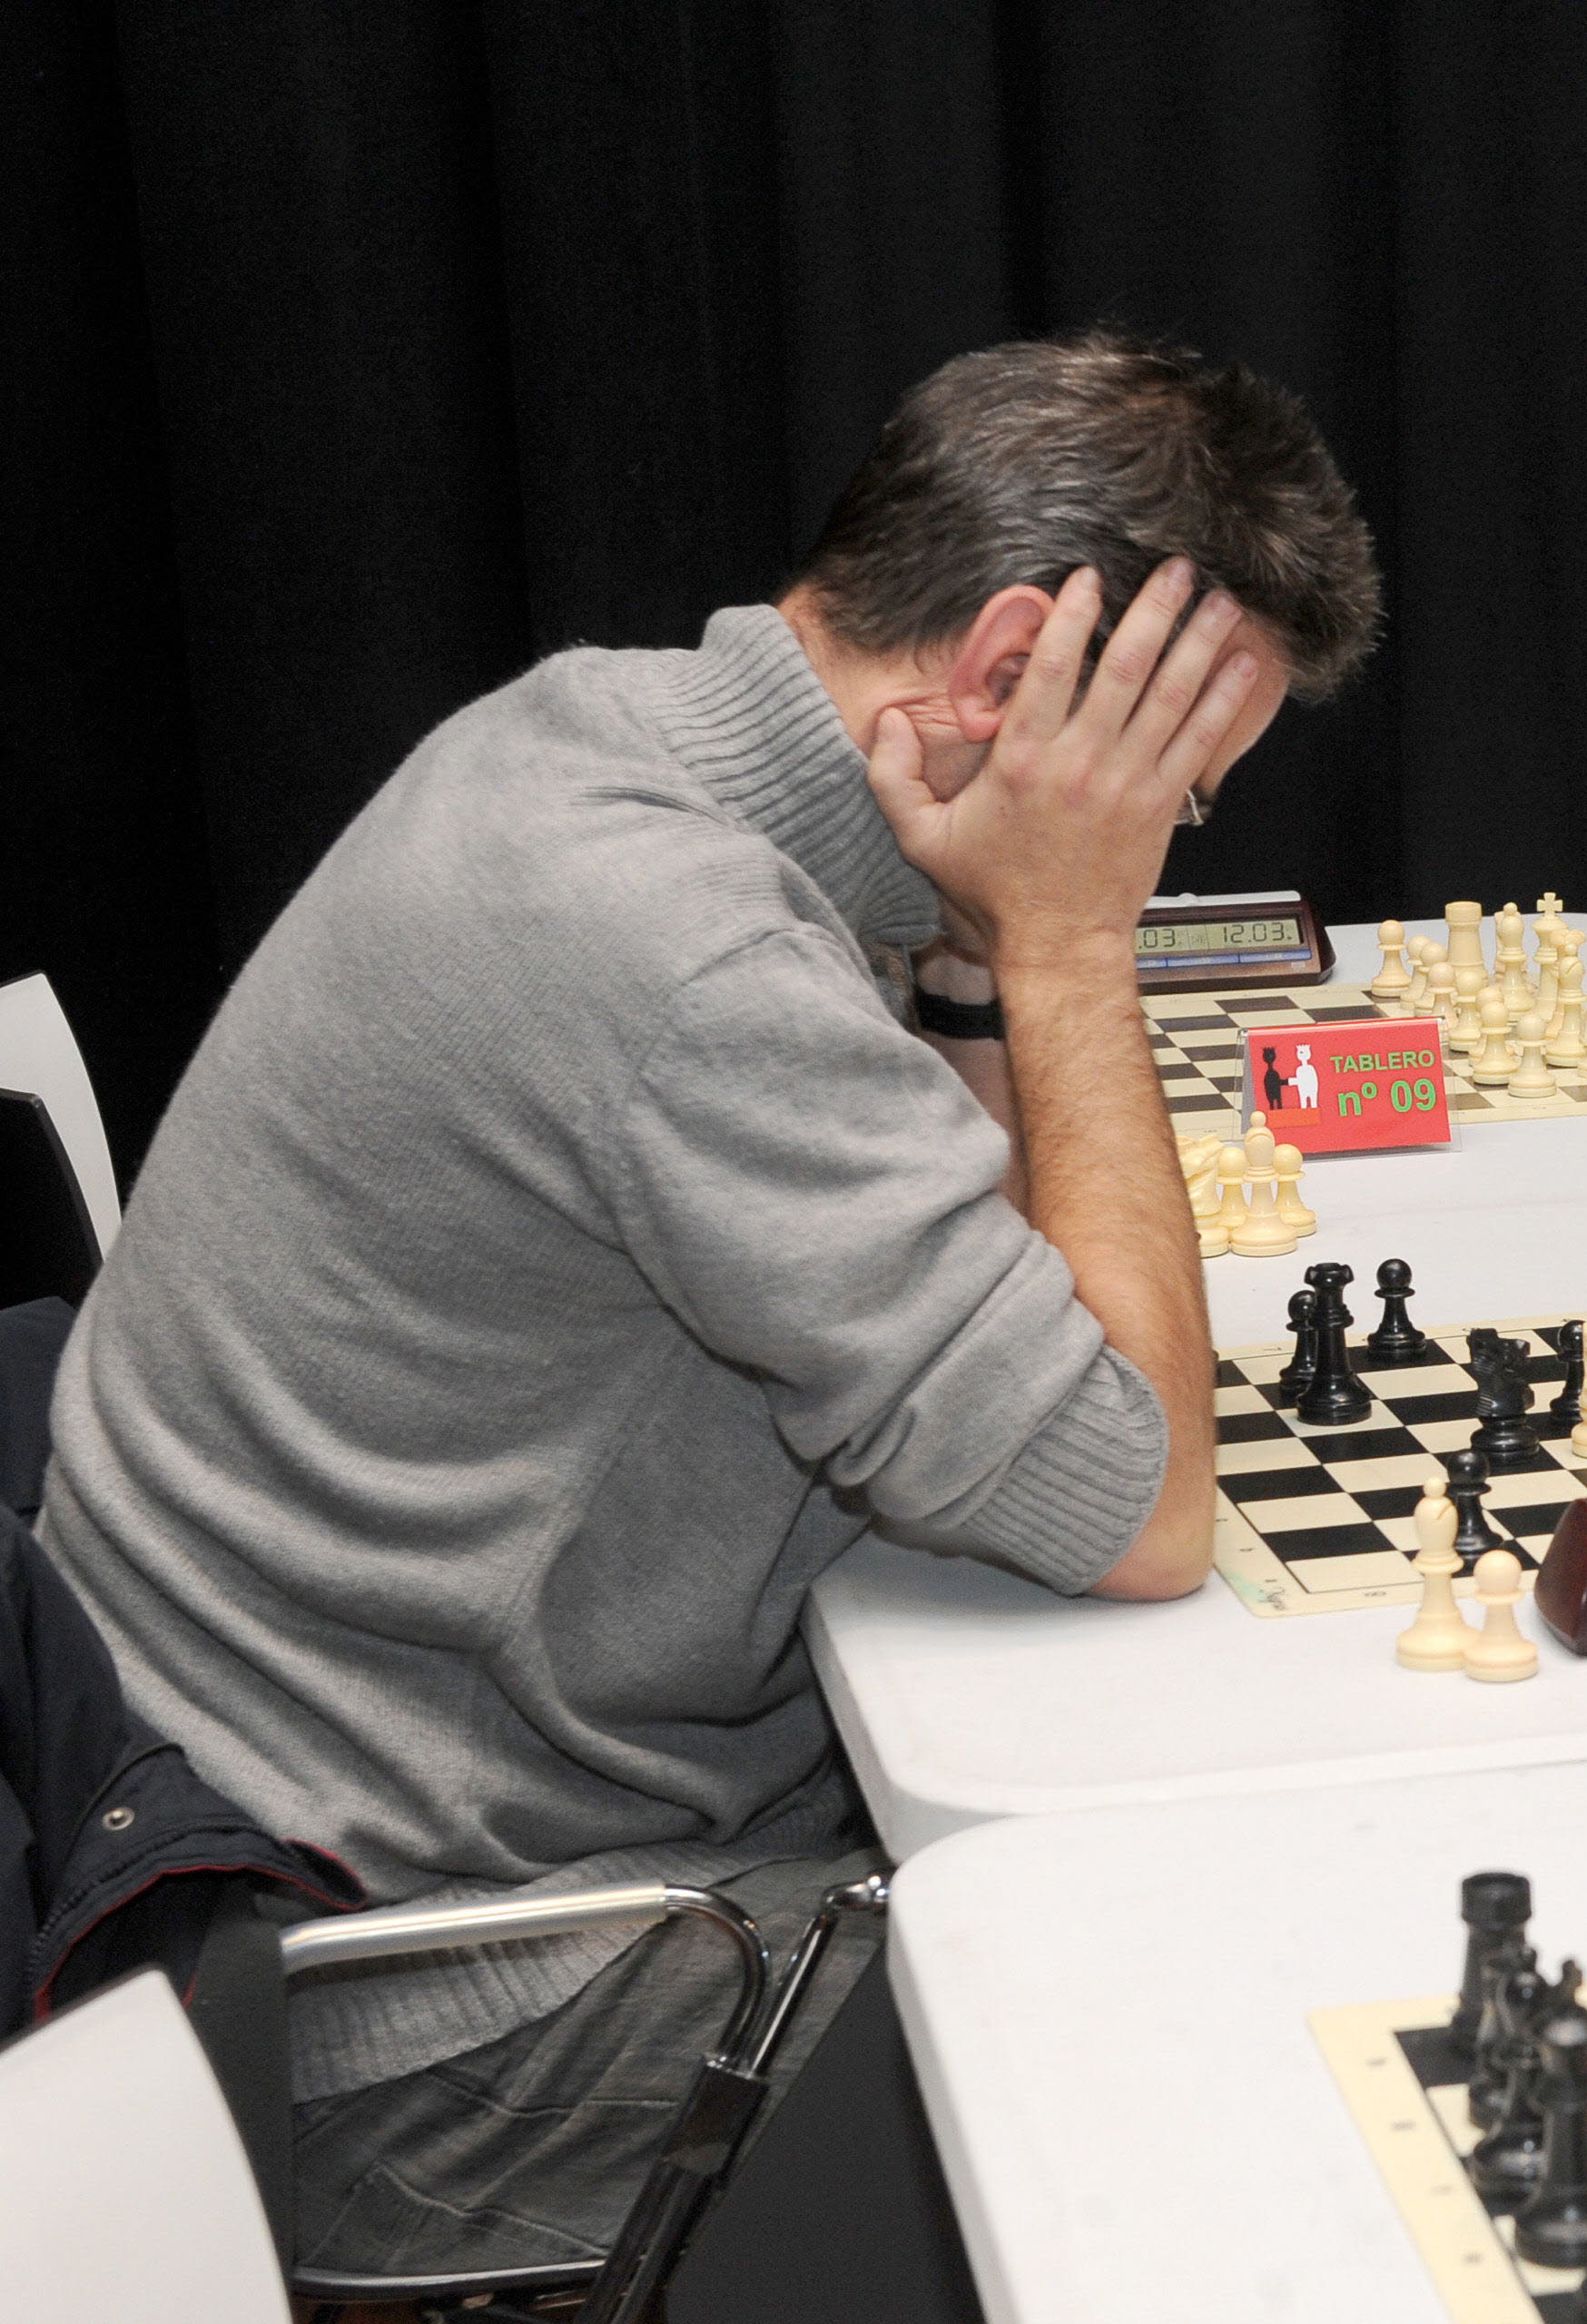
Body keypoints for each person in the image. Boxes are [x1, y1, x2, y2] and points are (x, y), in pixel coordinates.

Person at [34, 329, 1378, 2274]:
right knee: (1246, 2056)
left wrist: (988, 954)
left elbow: (1003, 1287)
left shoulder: (603, 735)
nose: (1174, 852)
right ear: (1009, 675)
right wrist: (1074, 933)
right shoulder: (674, 945)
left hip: (301, 1834)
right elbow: (1146, 1493)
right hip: (428, 2000)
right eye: (1184, 795)